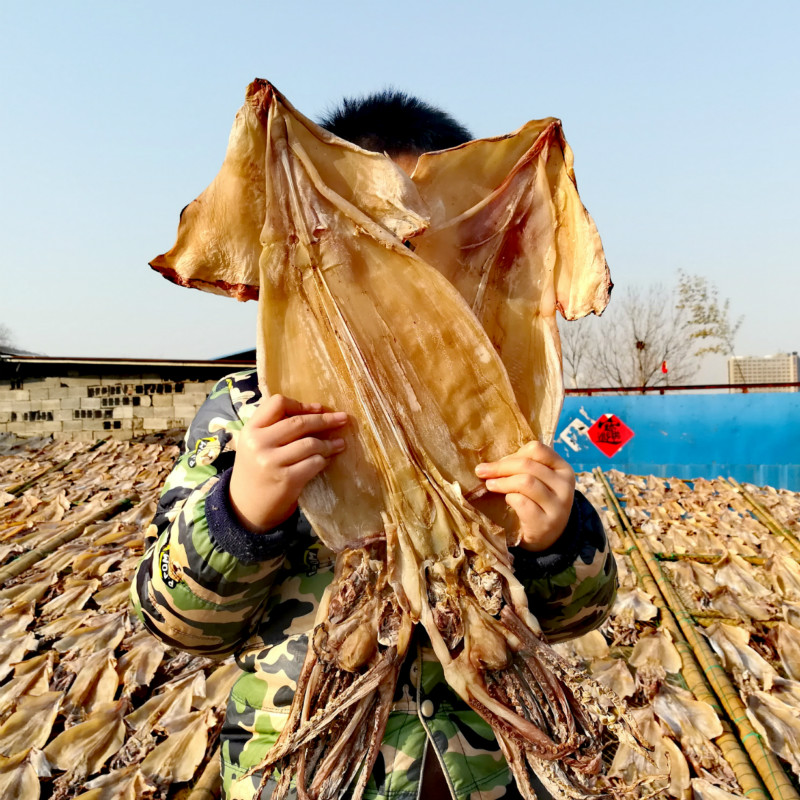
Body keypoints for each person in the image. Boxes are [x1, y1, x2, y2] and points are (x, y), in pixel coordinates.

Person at [131, 91, 618, 800]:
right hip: (305, 772)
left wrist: (555, 537)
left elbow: (582, 613)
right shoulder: (249, 412)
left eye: (422, 250)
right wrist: (243, 513)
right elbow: (174, 620)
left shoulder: (506, 411)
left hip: (482, 773)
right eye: (371, 243)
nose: (399, 278)